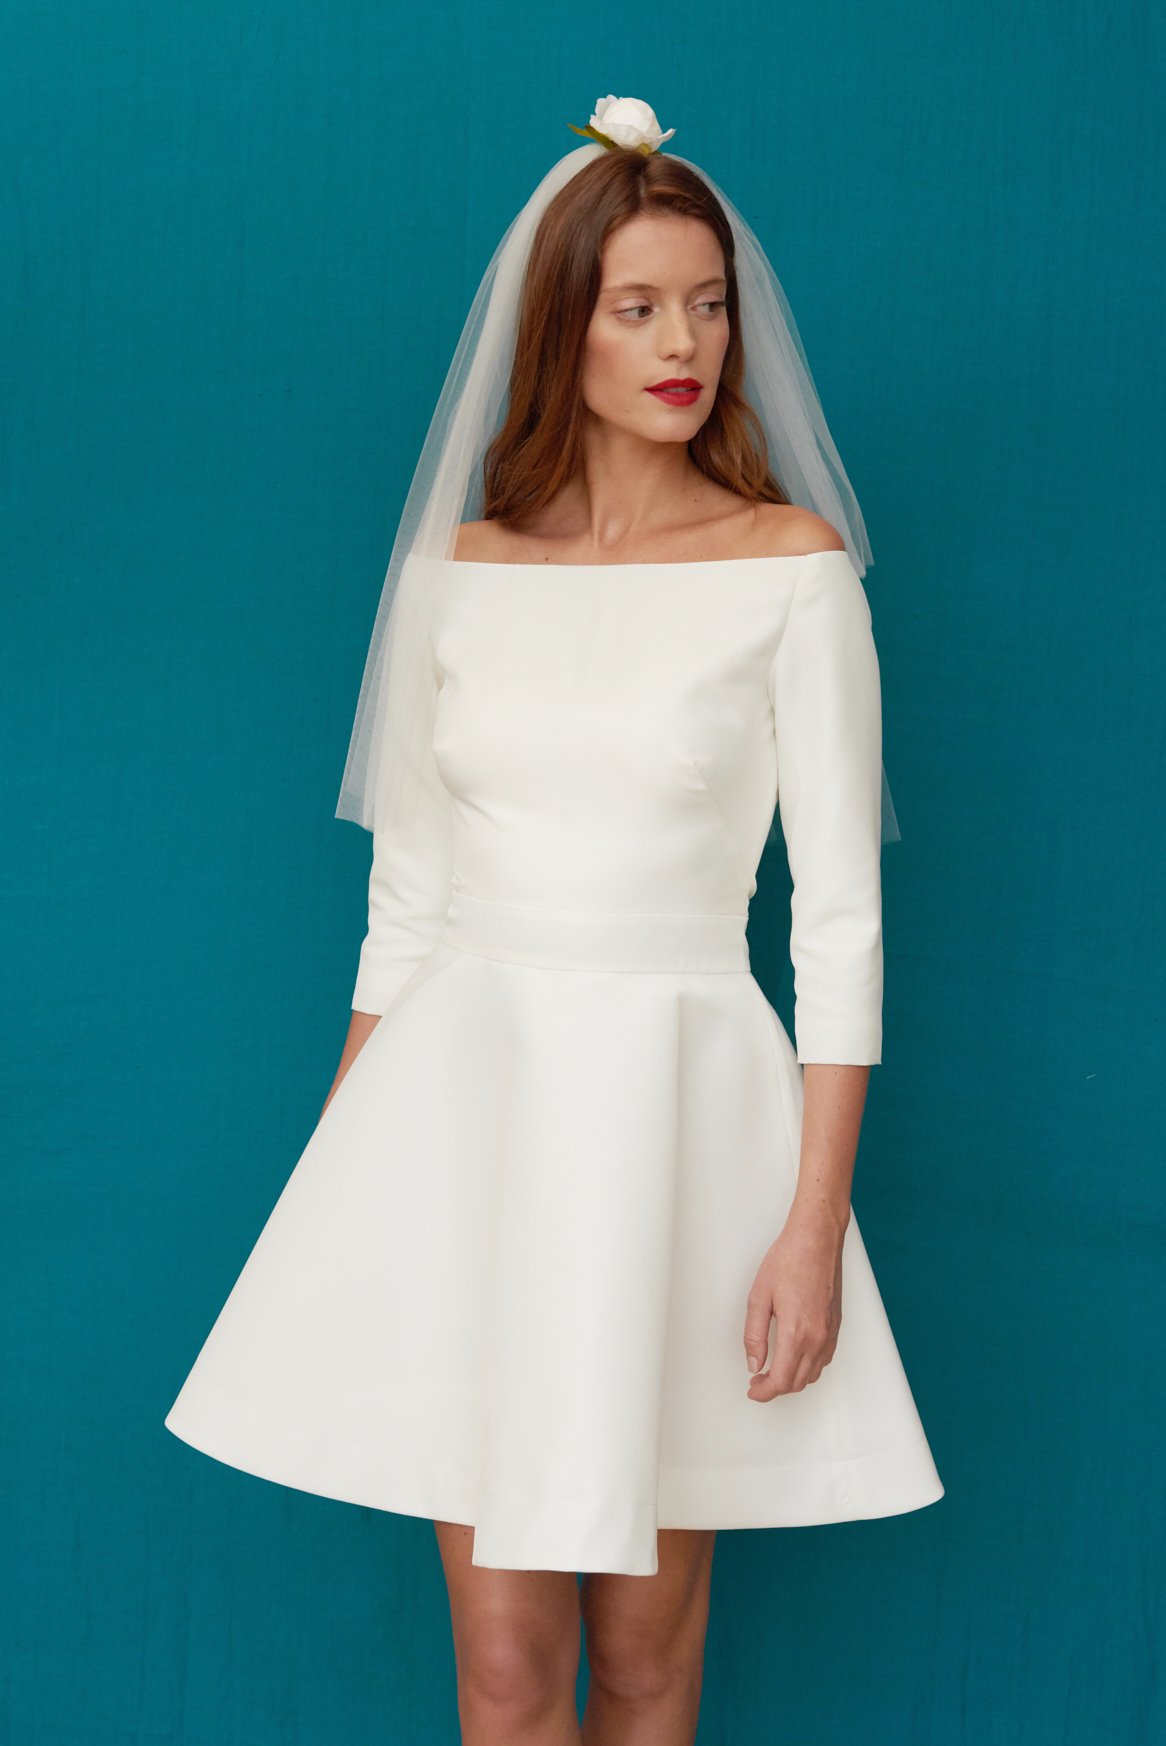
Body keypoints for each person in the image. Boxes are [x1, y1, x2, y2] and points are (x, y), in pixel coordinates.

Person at [167, 96, 943, 1746]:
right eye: (636, 306)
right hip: (471, 1130)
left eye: (707, 305)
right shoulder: (456, 572)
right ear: (558, 330)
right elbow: (407, 907)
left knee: (647, 1658)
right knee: (507, 1667)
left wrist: (810, 1226)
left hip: (684, 1131)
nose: (686, 345)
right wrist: (343, 1185)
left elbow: (839, 927)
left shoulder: (790, 570)